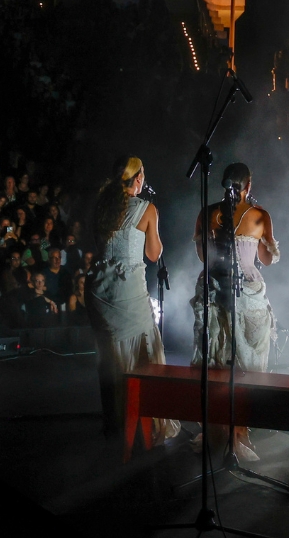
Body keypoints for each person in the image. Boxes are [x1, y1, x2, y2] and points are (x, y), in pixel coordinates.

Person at [189, 162, 280, 460]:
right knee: (248, 363)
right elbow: (265, 259)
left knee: (216, 359)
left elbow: (203, 256)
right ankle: (240, 431)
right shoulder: (259, 215)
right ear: (248, 185)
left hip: (215, 290)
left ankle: (218, 429)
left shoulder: (207, 213)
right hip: (247, 292)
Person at [87, 156, 180, 441]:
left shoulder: (102, 206)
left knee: (108, 357)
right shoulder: (146, 209)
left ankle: (113, 422)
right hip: (127, 290)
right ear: (138, 179)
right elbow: (154, 254)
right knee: (144, 352)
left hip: (100, 289)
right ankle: (142, 420)